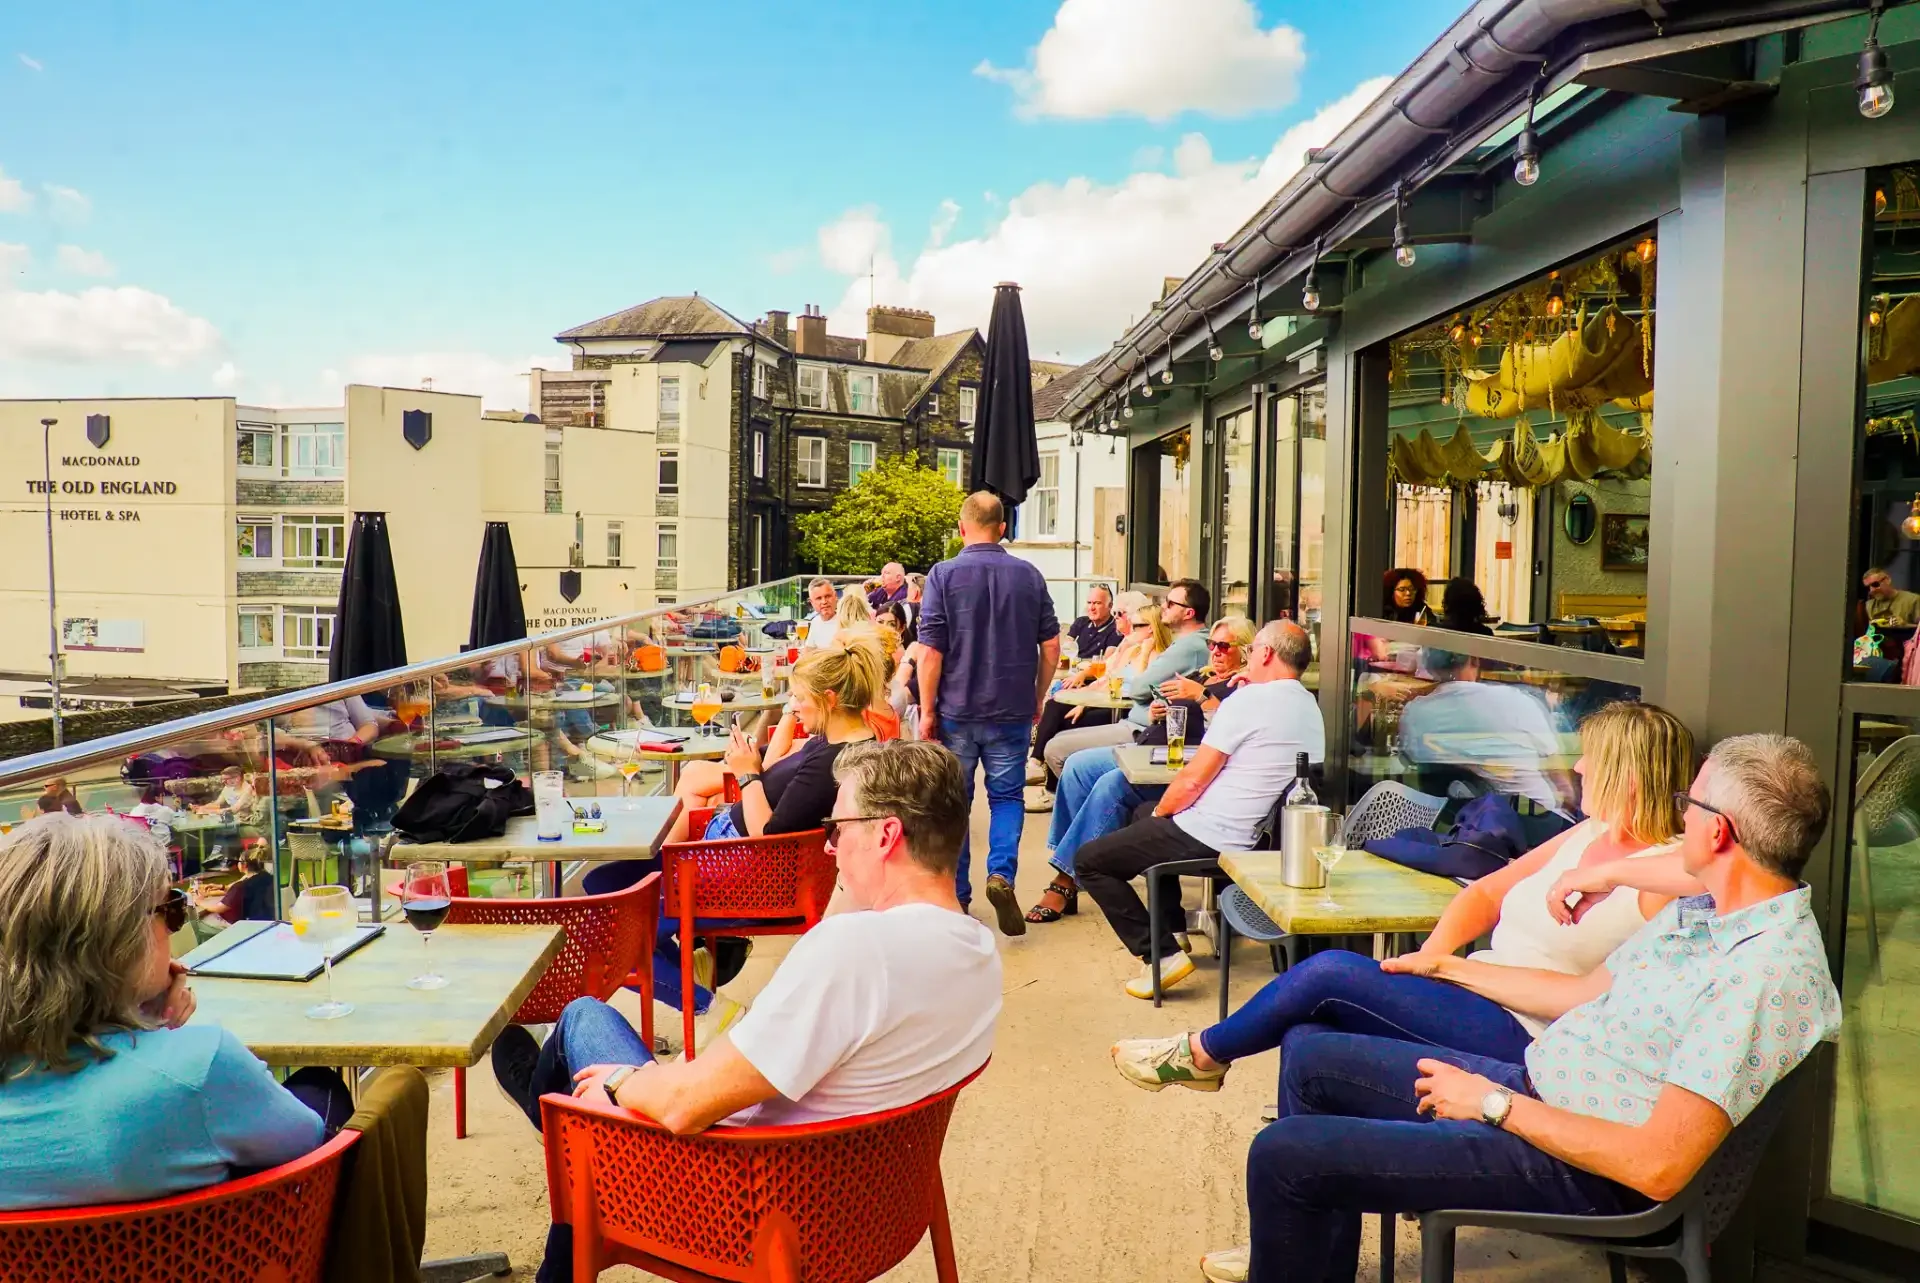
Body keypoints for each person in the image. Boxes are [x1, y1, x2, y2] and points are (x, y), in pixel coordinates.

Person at [1201, 733, 1840, 1283]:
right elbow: (1581, 994)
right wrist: (1451, 968)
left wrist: (1492, 1103)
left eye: (1688, 805)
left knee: (1284, 1155)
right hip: (1538, 1084)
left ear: (1717, 831)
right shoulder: (1705, 914)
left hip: (1582, 1168)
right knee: (1310, 1057)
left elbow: (1656, 1165)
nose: (1680, 819)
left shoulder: (1764, 975)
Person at [490, 740, 1001, 1283]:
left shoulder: (853, 954)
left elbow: (685, 1108)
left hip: (745, 1210)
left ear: (886, 835)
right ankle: (559, 1119)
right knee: (591, 1100)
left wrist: (622, 1084)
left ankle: (552, 1115)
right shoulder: (977, 953)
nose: (830, 848)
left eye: (837, 829)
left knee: (583, 1023)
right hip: (872, 1213)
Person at [1110, 701, 1698, 1091]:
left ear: (1627, 776)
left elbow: (1594, 995)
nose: (1578, 767)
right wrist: (1431, 958)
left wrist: (1451, 971)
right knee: (1308, 1038)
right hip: (1474, 993)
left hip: (1529, 1034)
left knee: (1331, 972)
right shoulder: (1589, 832)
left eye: (1592, 758)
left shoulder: (1666, 879)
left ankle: (1201, 1054)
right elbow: (1485, 895)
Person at [0, 813, 357, 1209]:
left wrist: (142, 1022)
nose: (175, 927)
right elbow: (307, 1142)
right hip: (219, 1247)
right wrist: (160, 1038)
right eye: (171, 910)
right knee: (321, 1089)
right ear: (120, 940)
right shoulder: (199, 1069)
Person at [596, 632, 888, 1030]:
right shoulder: (836, 744)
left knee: (613, 933)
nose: (794, 706)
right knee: (603, 882)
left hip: (741, 877)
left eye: (799, 697)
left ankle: (710, 1008)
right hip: (731, 862)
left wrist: (748, 775)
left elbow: (768, 838)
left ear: (830, 699)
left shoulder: (830, 763)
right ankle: (696, 971)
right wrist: (748, 762)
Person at [1076, 620, 1325, 998]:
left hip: (1215, 833)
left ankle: (1161, 956)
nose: (1245, 658)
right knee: (1141, 813)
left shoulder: (1249, 701)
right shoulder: (1308, 705)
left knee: (1091, 861)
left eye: (1251, 650)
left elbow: (1193, 779)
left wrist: (1162, 814)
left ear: (1266, 653)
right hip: (1258, 834)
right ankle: (1172, 928)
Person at [1028, 615, 1264, 923]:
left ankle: (1065, 880)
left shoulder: (1242, 687)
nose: (1216, 652)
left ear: (1245, 650)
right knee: (1076, 768)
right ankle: (1069, 862)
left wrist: (1201, 696)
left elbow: (1224, 732)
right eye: (1212, 644)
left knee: (1112, 784)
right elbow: (1166, 708)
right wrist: (1159, 713)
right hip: (1152, 747)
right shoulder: (1201, 674)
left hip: (1191, 770)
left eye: (1224, 646)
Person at [917, 491, 1061, 934]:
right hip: (1011, 709)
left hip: (956, 709)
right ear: (1002, 528)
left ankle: (958, 897)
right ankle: (1001, 875)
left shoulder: (943, 575)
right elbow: (1051, 646)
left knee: (954, 803)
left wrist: (926, 711)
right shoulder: (1029, 575)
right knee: (1006, 798)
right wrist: (1038, 696)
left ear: (962, 528)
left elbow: (930, 652)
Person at [1040, 579, 1212, 785]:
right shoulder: (1184, 643)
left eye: (1170, 603)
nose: (1163, 606)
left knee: (1056, 749)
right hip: (1141, 725)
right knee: (1057, 736)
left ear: (1189, 613)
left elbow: (1138, 688)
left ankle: (1089, 799)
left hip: (1142, 731)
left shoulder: (1189, 647)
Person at [1397, 648, 1574, 814]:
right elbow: (1561, 781)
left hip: (1453, 821)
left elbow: (1413, 760)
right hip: (1533, 819)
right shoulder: (1515, 701)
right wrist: (1572, 807)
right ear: (1474, 659)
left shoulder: (1414, 713)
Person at [1026, 584, 1127, 803]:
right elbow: (1067, 648)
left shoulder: (1118, 635)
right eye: (1089, 602)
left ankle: (1038, 765)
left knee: (1055, 708)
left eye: (1097, 603)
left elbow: (1105, 665)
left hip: (1095, 687)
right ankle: (1041, 770)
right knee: (1054, 702)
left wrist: (1083, 680)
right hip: (1081, 681)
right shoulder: (1082, 623)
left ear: (1109, 606)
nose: (1092, 607)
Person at [801, 578, 841, 649]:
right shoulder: (815, 622)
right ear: (812, 602)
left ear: (835, 596)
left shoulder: (846, 621)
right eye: (819, 598)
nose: (824, 602)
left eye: (827, 596)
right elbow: (809, 649)